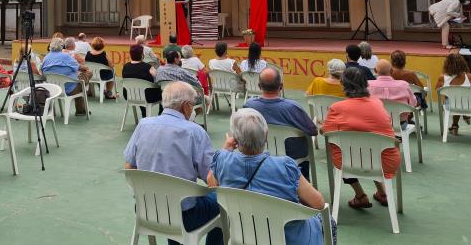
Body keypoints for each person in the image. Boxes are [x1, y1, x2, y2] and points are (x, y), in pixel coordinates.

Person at [208, 108, 331, 245]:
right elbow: (318, 203)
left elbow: (212, 185)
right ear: (266, 135)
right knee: (329, 221)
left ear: (236, 139)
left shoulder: (223, 160)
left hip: (245, 236)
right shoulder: (285, 166)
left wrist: (226, 147)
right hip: (287, 239)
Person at [124, 82, 224, 245]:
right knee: (222, 200)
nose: (192, 109)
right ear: (185, 106)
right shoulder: (195, 132)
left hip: (145, 210)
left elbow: (129, 167)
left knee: (173, 197)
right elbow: (212, 180)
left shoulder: (143, 125)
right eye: (192, 105)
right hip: (184, 217)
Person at [319, 67, 400, 209]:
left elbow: (325, 131)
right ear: (365, 83)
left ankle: (360, 195)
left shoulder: (337, 108)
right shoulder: (378, 103)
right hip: (384, 161)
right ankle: (382, 192)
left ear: (343, 85)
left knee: (341, 147)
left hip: (348, 162)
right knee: (367, 149)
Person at [244, 67, 318, 181]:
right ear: (281, 86)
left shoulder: (249, 106)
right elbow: (313, 131)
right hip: (293, 156)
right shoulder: (293, 107)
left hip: (261, 151)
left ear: (259, 86)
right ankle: (304, 184)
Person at [435, 52, 471, 135]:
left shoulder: (442, 78)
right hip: (470, 106)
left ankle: (455, 125)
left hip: (451, 106)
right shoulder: (469, 77)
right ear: (462, 64)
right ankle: (465, 115)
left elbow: (437, 90)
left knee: (454, 100)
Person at [41, 37, 88, 115]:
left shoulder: (46, 58)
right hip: (68, 89)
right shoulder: (66, 57)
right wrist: (86, 69)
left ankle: (81, 109)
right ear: (62, 46)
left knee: (80, 82)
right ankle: (80, 110)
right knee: (84, 80)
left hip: (52, 89)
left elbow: (42, 71)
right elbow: (81, 68)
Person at [122, 45, 161, 115]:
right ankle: (160, 115)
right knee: (163, 91)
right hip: (148, 96)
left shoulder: (125, 66)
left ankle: (144, 113)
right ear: (142, 55)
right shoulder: (148, 67)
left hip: (129, 95)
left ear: (130, 55)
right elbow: (158, 78)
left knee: (139, 89)